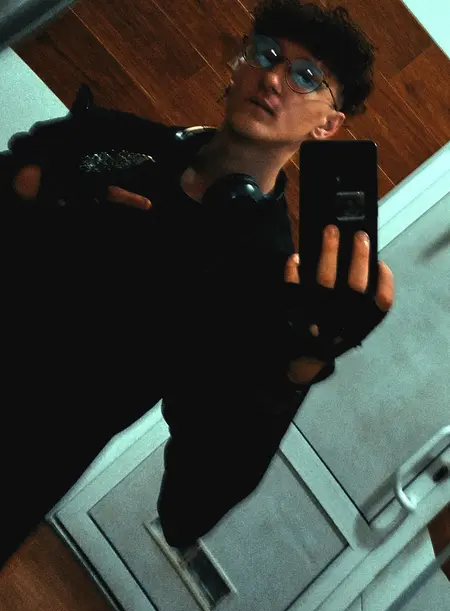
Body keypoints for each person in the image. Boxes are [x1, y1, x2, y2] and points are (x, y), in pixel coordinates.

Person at [0, 0, 394, 569]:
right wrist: (32, 191)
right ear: (238, 66)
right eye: (267, 55)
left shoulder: (267, 279)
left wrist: (298, 366)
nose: (274, 79)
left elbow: (190, 506)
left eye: (307, 77)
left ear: (328, 125)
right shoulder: (108, 136)